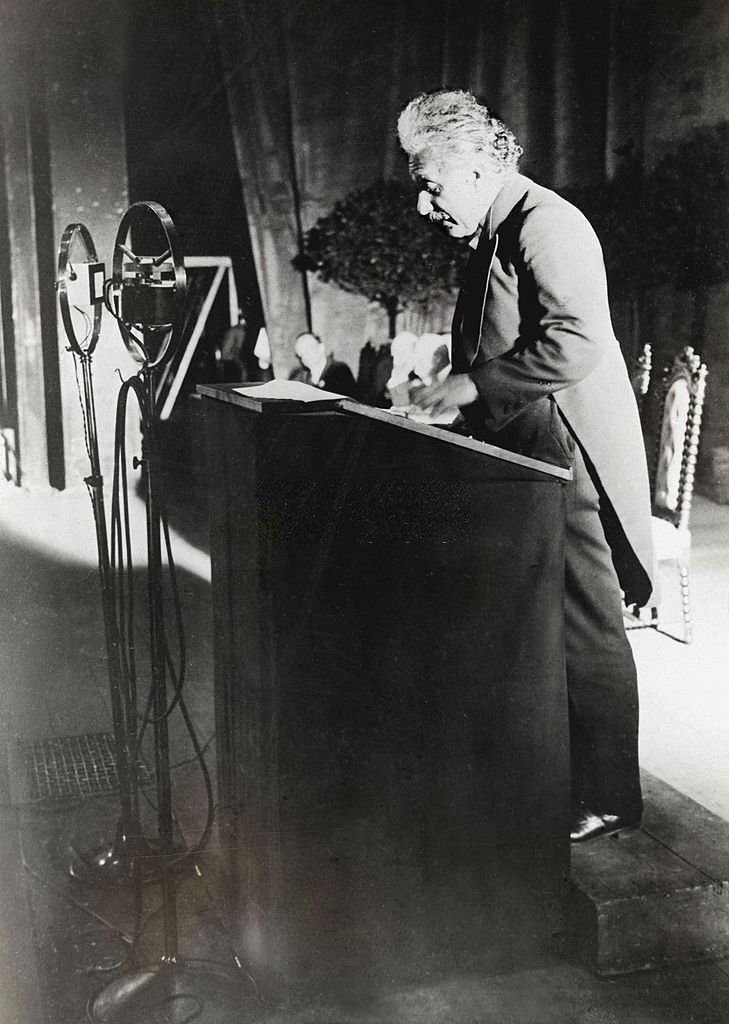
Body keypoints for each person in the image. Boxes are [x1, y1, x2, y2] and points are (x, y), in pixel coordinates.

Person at [397, 89, 654, 843]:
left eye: (430, 184)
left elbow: (575, 341)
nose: (422, 204)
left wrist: (470, 385)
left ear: (477, 168)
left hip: (564, 452)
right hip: (526, 443)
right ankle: (554, 770)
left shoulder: (547, 223)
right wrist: (454, 381)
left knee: (584, 624)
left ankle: (609, 795)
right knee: (541, 621)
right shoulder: (497, 226)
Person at [290, 331, 359, 398]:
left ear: (321, 348)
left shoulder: (340, 370)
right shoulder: (300, 376)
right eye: (301, 354)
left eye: (308, 350)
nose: (306, 357)